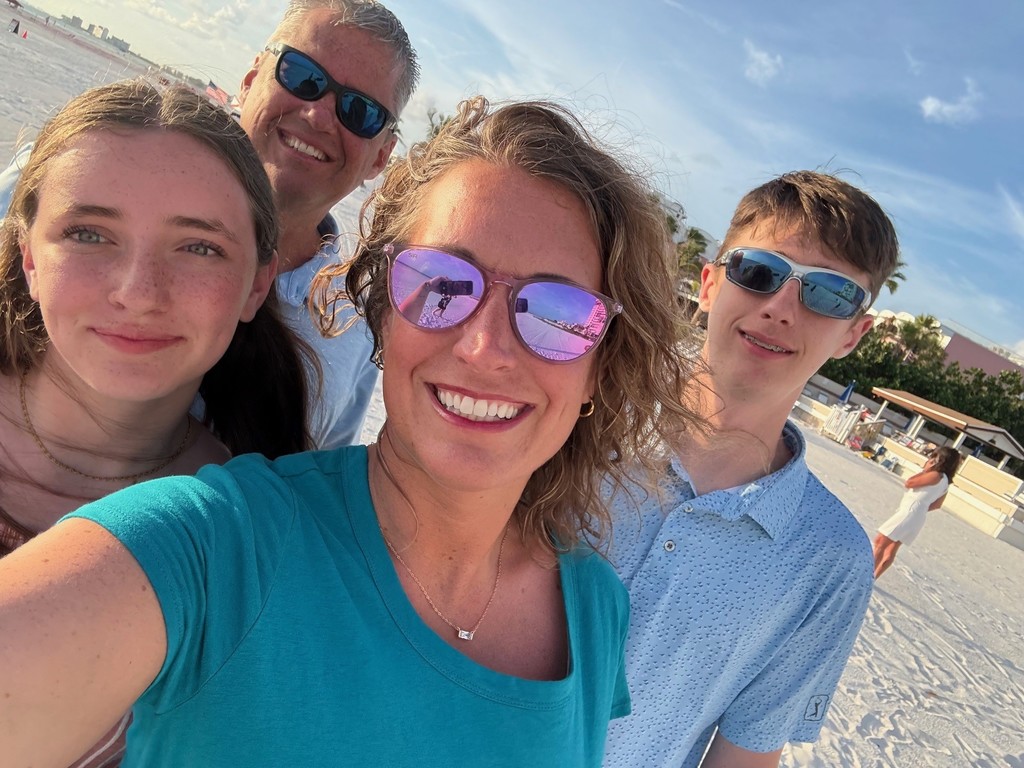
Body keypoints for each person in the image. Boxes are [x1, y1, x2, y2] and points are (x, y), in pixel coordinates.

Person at [0, 95, 696, 767]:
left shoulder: (594, 608)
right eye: (441, 282)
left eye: (557, 312)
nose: (485, 348)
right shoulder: (220, 543)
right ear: (383, 313)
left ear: (600, 367)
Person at [0, 78, 309, 767]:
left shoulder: (254, 537)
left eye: (198, 247)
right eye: (88, 234)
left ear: (258, 284)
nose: (138, 292)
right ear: (29, 257)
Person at [0, 0, 419, 448]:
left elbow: (316, 476)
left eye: (360, 111)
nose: (318, 114)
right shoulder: (59, 186)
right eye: (302, 75)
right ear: (251, 79)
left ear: (381, 155)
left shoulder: (355, 328)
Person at [603, 171, 901, 768]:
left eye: (829, 294)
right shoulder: (578, 420)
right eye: (759, 271)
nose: (781, 308)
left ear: (853, 334)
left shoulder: (829, 559)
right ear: (710, 283)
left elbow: (744, 756)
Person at [873, 446, 961, 579]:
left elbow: (909, 483)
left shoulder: (936, 475)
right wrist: (922, 507)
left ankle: (866, 577)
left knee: (881, 542)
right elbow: (937, 505)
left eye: (935, 457)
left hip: (909, 511)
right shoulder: (945, 482)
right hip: (918, 515)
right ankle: (874, 577)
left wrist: (925, 470)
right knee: (891, 549)